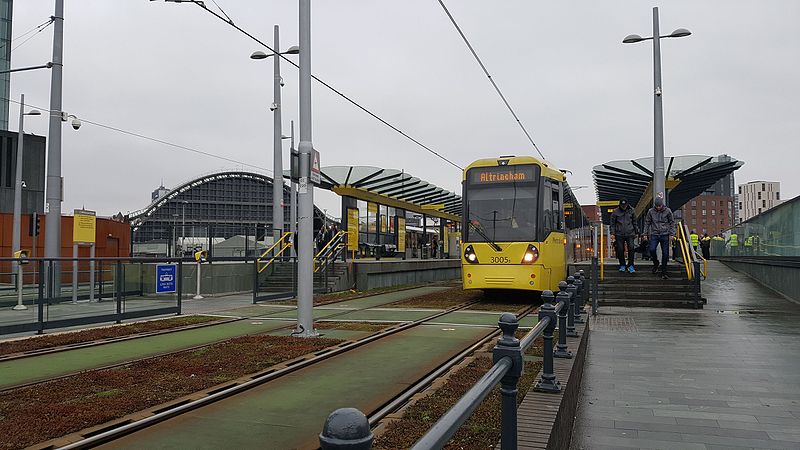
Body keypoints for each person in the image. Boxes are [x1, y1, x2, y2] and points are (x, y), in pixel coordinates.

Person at [644, 196, 676, 279]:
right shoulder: (651, 211)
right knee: (652, 249)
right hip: (654, 234)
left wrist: (672, 234)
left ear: (662, 205)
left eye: (659, 206)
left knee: (665, 253)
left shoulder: (668, 211)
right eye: (657, 206)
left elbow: (672, 222)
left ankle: (664, 272)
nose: (658, 208)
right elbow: (647, 222)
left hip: (665, 234)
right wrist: (645, 233)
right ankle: (656, 263)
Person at [610, 199, 638, 273]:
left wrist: (637, 232)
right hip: (619, 233)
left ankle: (630, 265)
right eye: (622, 206)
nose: (623, 207)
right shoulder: (615, 212)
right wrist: (612, 233)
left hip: (630, 233)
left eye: (625, 206)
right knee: (620, 249)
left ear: (627, 205)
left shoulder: (632, 211)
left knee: (631, 248)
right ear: (620, 205)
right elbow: (612, 223)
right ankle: (622, 264)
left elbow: (634, 222)